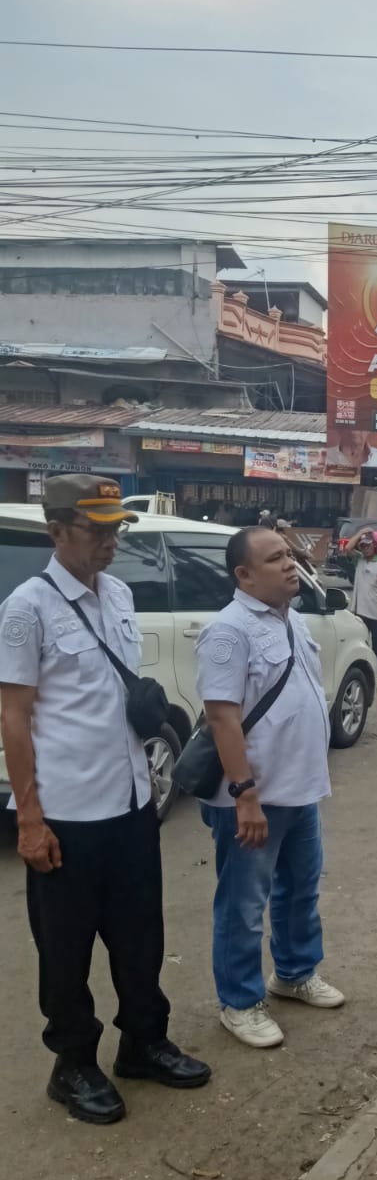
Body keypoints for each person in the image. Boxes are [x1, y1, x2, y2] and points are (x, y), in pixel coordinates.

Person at [0, 475, 211, 1123]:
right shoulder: (26, 608)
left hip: (129, 802)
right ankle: (73, 1065)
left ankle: (143, 1043)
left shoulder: (118, 592)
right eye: (97, 529)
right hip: (65, 811)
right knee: (65, 950)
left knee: (141, 935)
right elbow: (13, 716)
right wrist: (29, 819)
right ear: (57, 530)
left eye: (116, 527)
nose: (110, 540)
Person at [196, 526, 345, 1049]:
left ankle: (295, 973)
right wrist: (246, 796)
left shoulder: (292, 619)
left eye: (290, 555)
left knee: (300, 889)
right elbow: (223, 717)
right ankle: (239, 1002)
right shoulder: (229, 630)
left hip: (299, 790)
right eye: (276, 558)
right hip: (252, 799)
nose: (290, 564)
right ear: (244, 575)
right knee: (242, 903)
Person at [350, 530, 377, 680]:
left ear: (374, 545)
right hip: (359, 612)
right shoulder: (359, 560)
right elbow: (347, 548)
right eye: (362, 546)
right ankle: (365, 672)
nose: (365, 548)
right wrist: (361, 532)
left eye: (367, 545)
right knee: (360, 644)